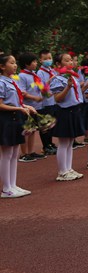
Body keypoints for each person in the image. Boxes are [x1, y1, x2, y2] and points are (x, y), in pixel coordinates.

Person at [1, 54, 35, 198]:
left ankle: (13, 185)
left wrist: (26, 106)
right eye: (11, 63)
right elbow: (1, 105)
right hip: (6, 120)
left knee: (15, 154)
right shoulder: (1, 82)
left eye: (15, 63)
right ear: (2, 66)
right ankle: (6, 188)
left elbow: (15, 101)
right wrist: (19, 109)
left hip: (15, 118)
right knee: (7, 154)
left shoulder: (11, 81)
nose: (15, 65)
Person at [48, 52, 86, 180]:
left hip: (74, 110)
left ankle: (68, 168)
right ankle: (62, 172)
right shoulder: (58, 79)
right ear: (58, 64)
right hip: (64, 112)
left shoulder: (73, 77)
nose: (70, 63)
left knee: (70, 142)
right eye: (66, 61)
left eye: (71, 60)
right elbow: (58, 98)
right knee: (64, 142)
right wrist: (68, 88)